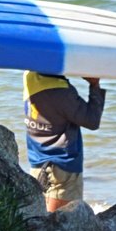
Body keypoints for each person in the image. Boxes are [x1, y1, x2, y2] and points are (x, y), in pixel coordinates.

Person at [23, 70, 106, 212]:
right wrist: (94, 85)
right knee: (59, 228)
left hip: (37, 164)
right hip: (63, 171)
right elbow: (92, 121)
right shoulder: (61, 93)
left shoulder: (29, 77)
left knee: (40, 224)